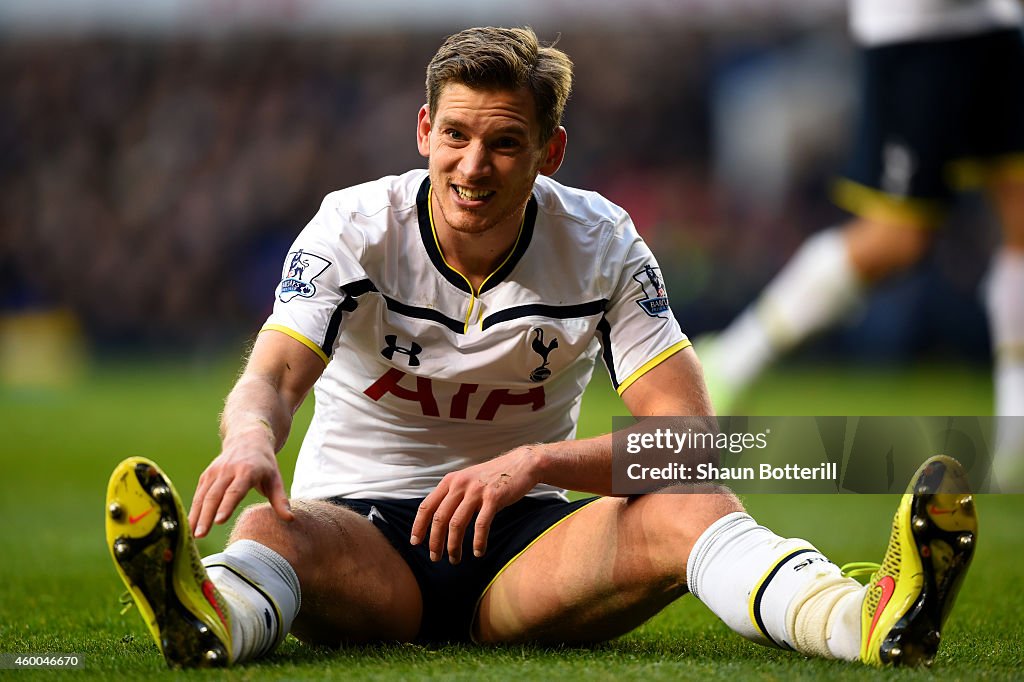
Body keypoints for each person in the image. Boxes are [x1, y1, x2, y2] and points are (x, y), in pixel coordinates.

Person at [104, 26, 977, 669]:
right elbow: (271, 377)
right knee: (271, 529)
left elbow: (688, 442)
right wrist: (252, 436)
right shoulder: (353, 226)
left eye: (503, 142)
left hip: (524, 553)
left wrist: (536, 461)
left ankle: (859, 619)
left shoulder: (605, 242)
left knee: (693, 503)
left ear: (548, 153)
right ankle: (209, 617)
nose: (472, 166)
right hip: (361, 540)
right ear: (423, 132)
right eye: (455, 136)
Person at [698, 0, 1024, 486]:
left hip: (993, 25)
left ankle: (1015, 438)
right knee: (898, 238)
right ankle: (733, 357)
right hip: (918, 32)